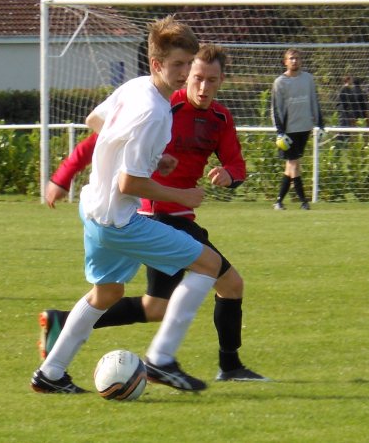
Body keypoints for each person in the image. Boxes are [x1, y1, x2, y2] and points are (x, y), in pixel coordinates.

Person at [42, 44, 267, 383]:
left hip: (162, 215)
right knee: (227, 281)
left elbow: (236, 162)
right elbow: (101, 140)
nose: (203, 87)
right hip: (150, 214)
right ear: (184, 73)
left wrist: (229, 174)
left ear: (222, 81)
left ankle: (59, 336)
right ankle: (213, 364)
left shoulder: (219, 118)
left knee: (151, 306)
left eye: (212, 80)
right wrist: (63, 175)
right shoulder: (162, 106)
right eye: (197, 78)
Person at [31, 15, 221, 394]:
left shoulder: (135, 88)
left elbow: (94, 120)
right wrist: (182, 194)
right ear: (157, 64)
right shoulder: (155, 112)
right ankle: (161, 360)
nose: (185, 73)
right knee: (209, 265)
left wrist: (152, 158)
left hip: (92, 209)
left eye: (188, 63)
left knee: (108, 293)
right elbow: (129, 182)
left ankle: (50, 375)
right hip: (119, 221)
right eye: (177, 65)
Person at [271, 48, 324, 211]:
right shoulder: (280, 82)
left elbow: (314, 101)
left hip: (305, 127)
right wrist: (279, 132)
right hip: (289, 130)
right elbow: (275, 109)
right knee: (294, 164)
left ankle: (279, 202)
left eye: (297, 58)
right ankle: (304, 201)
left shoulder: (308, 79)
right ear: (285, 61)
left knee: (291, 166)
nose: (294, 61)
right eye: (291, 58)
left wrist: (320, 124)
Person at [336, 75, 355, 143]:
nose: (352, 81)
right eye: (351, 80)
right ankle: (339, 140)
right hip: (342, 108)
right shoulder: (345, 88)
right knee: (343, 123)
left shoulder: (348, 89)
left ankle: (345, 139)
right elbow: (341, 100)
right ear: (347, 80)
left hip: (346, 108)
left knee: (346, 124)